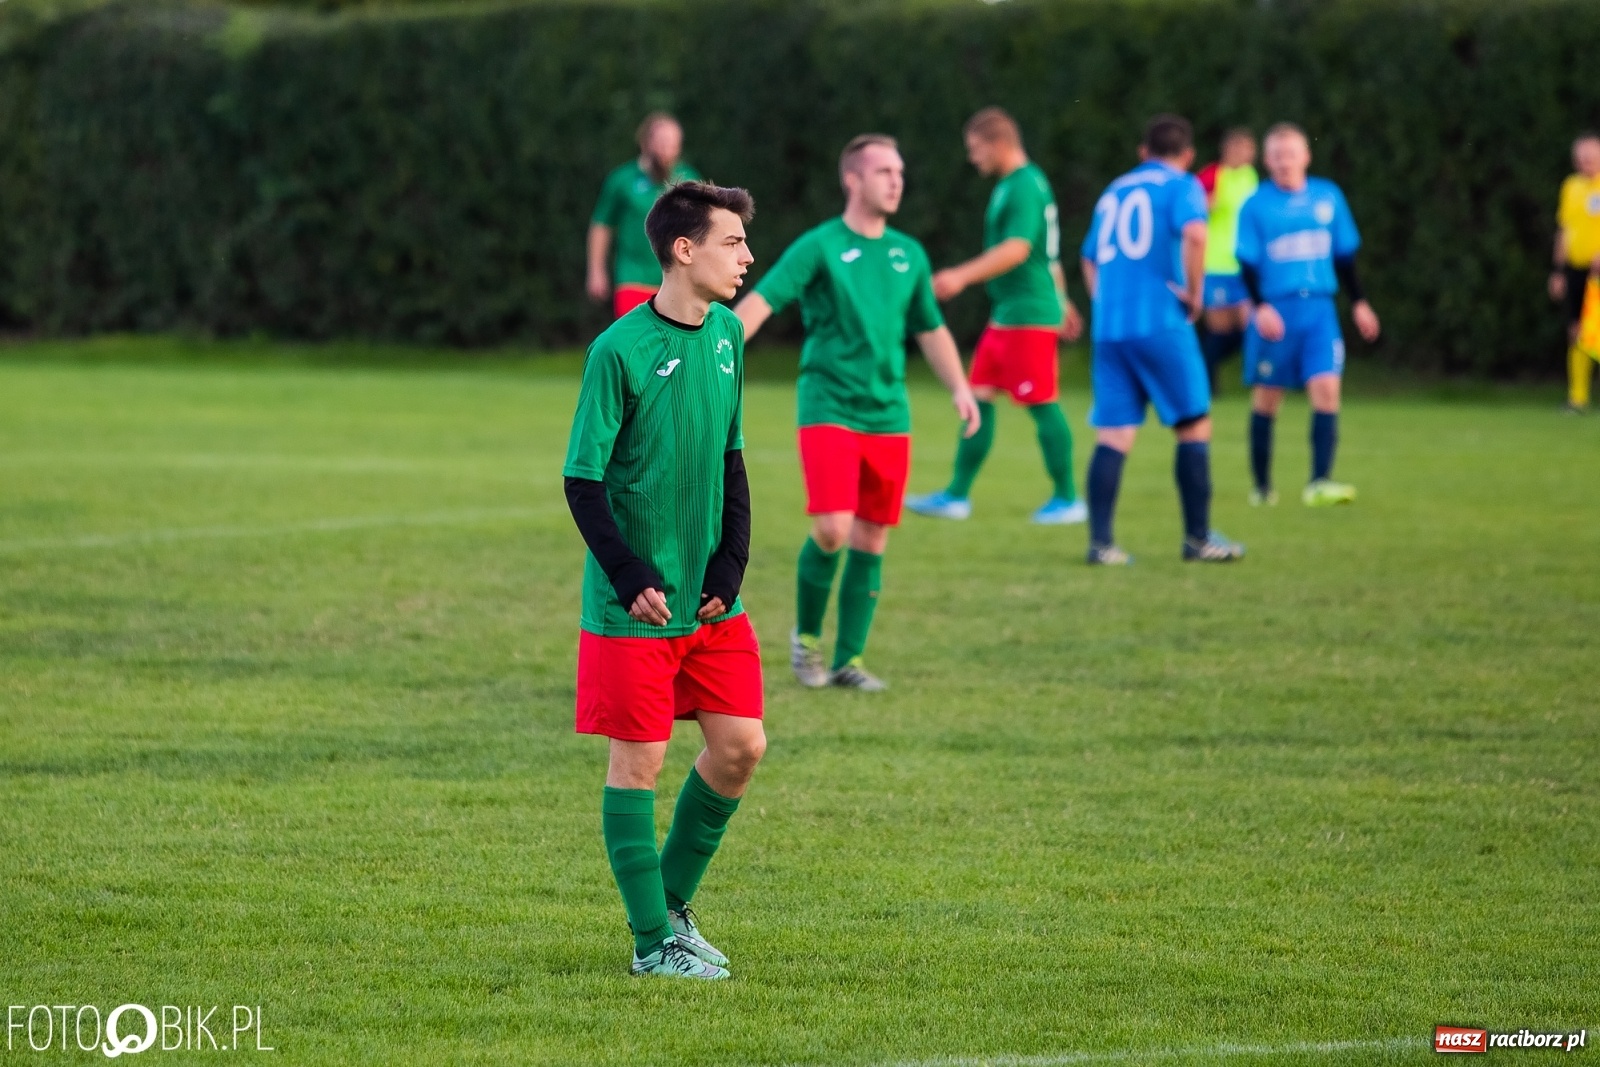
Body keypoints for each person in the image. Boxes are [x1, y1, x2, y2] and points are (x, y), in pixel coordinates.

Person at [564, 181, 762, 980]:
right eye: (732, 242)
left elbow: (732, 456)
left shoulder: (727, 337)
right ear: (685, 250)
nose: (747, 258)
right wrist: (630, 571)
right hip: (634, 605)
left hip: (713, 599)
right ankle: (653, 946)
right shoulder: (618, 350)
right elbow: (583, 480)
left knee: (741, 746)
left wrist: (731, 561)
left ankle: (670, 909)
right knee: (636, 765)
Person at [736, 134, 980, 691]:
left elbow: (930, 327)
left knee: (872, 538)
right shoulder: (821, 245)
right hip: (829, 405)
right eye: (883, 171)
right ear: (852, 179)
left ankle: (850, 659)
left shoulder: (909, 254)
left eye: (899, 171)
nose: (896, 180)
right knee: (831, 529)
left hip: (889, 414)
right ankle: (807, 641)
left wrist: (960, 388)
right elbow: (761, 300)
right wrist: (717, 350)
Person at [905, 107, 1087, 525]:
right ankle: (956, 496)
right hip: (1011, 313)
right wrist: (1064, 300)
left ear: (998, 142)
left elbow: (1019, 250)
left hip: (1027, 315)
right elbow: (1050, 252)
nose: (973, 158)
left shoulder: (1023, 186)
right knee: (979, 396)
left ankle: (1068, 498)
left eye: (975, 148)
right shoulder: (1019, 184)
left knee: (1041, 402)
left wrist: (960, 276)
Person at [1077, 114, 1244, 565]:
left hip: (1109, 327)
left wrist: (1106, 300)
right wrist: (1195, 294)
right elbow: (1194, 233)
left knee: (1113, 433)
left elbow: (1088, 258)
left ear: (1142, 152)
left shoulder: (1114, 190)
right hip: (1160, 320)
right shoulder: (1182, 184)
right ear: (1187, 154)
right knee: (1193, 424)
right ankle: (1198, 538)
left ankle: (1101, 544)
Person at [1236, 122, 1380, 507]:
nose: (1285, 162)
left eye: (1291, 154)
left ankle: (1319, 480)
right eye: (1277, 155)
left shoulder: (1327, 197)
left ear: (1306, 156)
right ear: (1267, 161)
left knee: (1327, 390)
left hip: (1319, 308)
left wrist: (1360, 302)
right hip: (1276, 312)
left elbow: (1345, 256)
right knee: (1268, 398)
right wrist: (1260, 306)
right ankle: (1262, 486)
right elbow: (1245, 262)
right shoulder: (1256, 204)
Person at [586, 113, 703, 319]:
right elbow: (602, 225)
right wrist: (596, 271)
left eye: (674, 145)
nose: (669, 151)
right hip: (633, 277)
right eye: (663, 143)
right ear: (645, 143)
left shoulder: (689, 179)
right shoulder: (622, 180)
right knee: (636, 342)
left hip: (677, 280)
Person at [1195, 128, 1259, 394]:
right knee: (1220, 331)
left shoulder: (1250, 177)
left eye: (1249, 149)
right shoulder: (1213, 175)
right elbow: (1191, 207)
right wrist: (1208, 203)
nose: (1245, 154)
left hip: (1245, 264)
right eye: (1240, 148)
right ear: (1228, 150)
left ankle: (1257, 378)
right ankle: (1207, 381)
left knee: (1250, 326)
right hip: (1216, 264)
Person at [1549, 132, 1600, 413]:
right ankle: (1578, 398)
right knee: (1577, 331)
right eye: (1581, 158)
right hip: (1576, 269)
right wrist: (1558, 270)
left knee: (1597, 333)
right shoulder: (1571, 186)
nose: (1586, 163)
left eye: (1591, 158)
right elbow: (1564, 230)